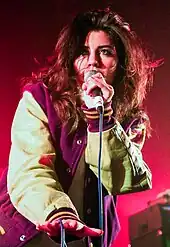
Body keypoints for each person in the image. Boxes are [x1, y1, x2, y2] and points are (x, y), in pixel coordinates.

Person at [0, 7, 158, 247]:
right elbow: (30, 169)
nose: (93, 62)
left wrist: (101, 117)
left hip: (87, 238)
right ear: (71, 60)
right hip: (31, 233)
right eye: (83, 53)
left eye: (105, 52)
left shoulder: (132, 120)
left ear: (122, 63)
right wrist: (59, 212)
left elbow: (124, 179)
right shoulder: (40, 100)